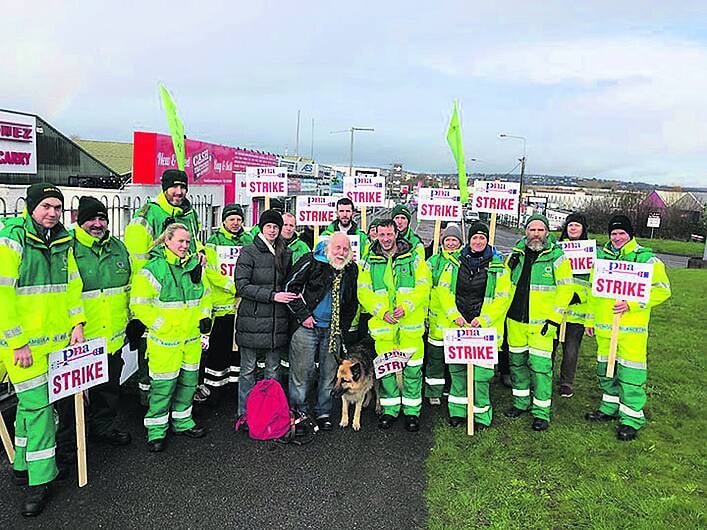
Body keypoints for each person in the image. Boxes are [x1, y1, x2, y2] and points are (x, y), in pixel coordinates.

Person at [0, 183, 85, 516]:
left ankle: (22, 465)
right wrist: (17, 340)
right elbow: (3, 295)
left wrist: (77, 323)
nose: (52, 213)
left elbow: (72, 285)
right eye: (46, 206)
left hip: (57, 343)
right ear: (31, 207)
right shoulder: (12, 239)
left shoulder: (63, 241)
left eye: (57, 207)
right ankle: (41, 481)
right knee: (39, 412)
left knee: (28, 408)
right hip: (24, 347)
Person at [56, 197, 132, 459]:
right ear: (79, 219)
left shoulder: (118, 248)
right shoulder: (67, 247)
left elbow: (128, 288)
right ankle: (67, 444)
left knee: (109, 388)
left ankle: (103, 428)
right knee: (69, 398)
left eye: (102, 218)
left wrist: (132, 320)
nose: (98, 224)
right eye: (92, 219)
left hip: (111, 335)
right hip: (78, 338)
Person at [584, 214, 671, 441]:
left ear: (630, 234)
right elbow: (593, 292)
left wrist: (632, 304)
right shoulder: (602, 258)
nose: (617, 238)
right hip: (604, 328)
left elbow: (662, 290)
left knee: (630, 375)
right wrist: (589, 320)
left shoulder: (646, 259)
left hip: (631, 331)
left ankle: (631, 419)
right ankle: (609, 408)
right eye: (613, 233)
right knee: (606, 371)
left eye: (621, 233)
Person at [129, 223, 212, 452]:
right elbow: (138, 304)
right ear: (167, 241)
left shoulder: (195, 267)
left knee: (188, 383)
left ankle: (183, 420)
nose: (185, 246)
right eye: (180, 241)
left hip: (191, 340)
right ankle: (156, 430)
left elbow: (206, 296)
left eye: (188, 242)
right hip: (165, 342)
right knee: (163, 387)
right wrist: (161, 325)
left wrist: (205, 317)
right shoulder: (152, 269)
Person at [124, 169, 204, 403]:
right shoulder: (149, 214)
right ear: (163, 187)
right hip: (156, 291)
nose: (179, 192)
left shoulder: (188, 212)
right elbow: (137, 258)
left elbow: (195, 241)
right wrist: (139, 308)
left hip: (183, 288)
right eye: (174, 187)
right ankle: (149, 402)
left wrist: (198, 257)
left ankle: (179, 402)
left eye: (183, 187)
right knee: (152, 351)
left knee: (179, 351)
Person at [358, 219, 431, 432]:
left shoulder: (415, 259)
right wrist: (382, 311)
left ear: (396, 234)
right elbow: (363, 291)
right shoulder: (368, 261)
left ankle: (412, 413)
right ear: (376, 235)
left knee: (412, 373)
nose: (386, 239)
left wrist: (406, 307)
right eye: (382, 235)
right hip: (385, 329)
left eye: (389, 234)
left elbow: (423, 286)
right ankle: (390, 411)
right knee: (387, 373)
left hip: (410, 329)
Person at [503, 214, 574, 431]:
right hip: (515, 321)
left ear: (547, 232)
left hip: (541, 325)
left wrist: (554, 319)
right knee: (517, 364)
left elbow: (566, 290)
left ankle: (541, 411)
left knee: (541, 368)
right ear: (526, 232)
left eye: (540, 230)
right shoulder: (515, 255)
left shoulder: (557, 257)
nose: (536, 234)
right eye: (532, 230)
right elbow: (503, 283)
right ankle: (520, 402)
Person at [284, 233, 359, 432]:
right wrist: (303, 315)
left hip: (332, 330)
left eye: (345, 249)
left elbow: (352, 301)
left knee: (329, 375)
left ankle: (323, 412)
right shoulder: (311, 260)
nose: (341, 253)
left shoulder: (351, 269)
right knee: (302, 373)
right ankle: (299, 414)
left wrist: (341, 327)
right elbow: (290, 287)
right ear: (328, 248)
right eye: (337, 248)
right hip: (307, 327)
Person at [443, 222, 511, 429]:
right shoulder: (454, 262)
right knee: (458, 372)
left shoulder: (498, 265)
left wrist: (484, 319)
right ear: (469, 240)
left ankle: (481, 416)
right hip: (459, 327)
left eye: (482, 238)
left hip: (484, 330)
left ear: (487, 240)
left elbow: (503, 297)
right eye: (475, 238)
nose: (478, 241)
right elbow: (443, 291)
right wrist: (454, 315)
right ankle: (458, 412)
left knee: (481, 376)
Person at [234, 210, 296, 421]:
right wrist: (272, 296)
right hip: (252, 321)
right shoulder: (249, 252)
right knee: (248, 370)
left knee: (273, 370)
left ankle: (270, 412)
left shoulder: (284, 252)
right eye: (269, 226)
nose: (272, 230)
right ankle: (245, 413)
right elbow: (241, 286)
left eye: (276, 227)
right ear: (261, 227)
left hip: (276, 322)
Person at [199, 204, 254, 404]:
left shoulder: (248, 240)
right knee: (219, 349)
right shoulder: (213, 242)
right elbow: (211, 272)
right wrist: (234, 286)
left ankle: (235, 388)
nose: (235, 222)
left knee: (239, 350)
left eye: (238, 219)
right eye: (231, 219)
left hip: (243, 306)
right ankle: (214, 388)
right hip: (222, 306)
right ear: (223, 221)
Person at [424, 223, 463, 405]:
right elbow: (424, 287)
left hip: (457, 319)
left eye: (454, 240)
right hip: (436, 318)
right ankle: (434, 391)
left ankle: (452, 389)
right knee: (435, 358)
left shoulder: (465, 260)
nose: (451, 243)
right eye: (448, 239)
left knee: (455, 359)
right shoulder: (433, 261)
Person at [553, 213, 591, 398]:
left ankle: (566, 382)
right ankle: (544, 375)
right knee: (550, 346)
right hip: (557, 308)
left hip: (576, 312)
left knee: (571, 348)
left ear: (583, 229)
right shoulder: (556, 250)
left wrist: (579, 296)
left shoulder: (591, 254)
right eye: (570, 226)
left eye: (576, 225)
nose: (573, 228)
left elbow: (594, 283)